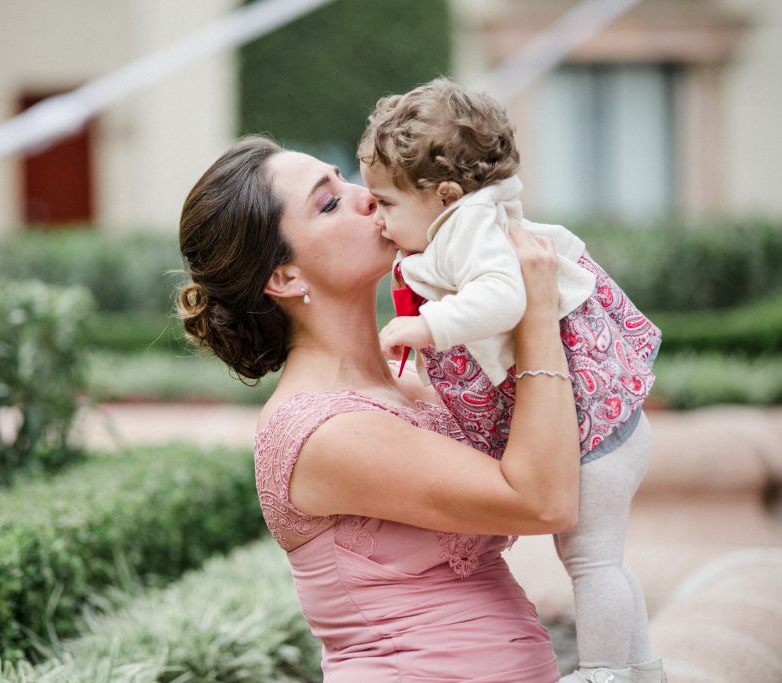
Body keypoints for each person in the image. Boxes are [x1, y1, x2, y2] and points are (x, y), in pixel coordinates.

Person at [178, 135, 581, 682]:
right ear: (284, 278)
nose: (366, 195)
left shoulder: (410, 380)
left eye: (344, 177)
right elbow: (543, 501)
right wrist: (533, 308)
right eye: (328, 202)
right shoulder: (325, 431)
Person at [358, 77, 665, 683]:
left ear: (444, 193)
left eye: (388, 204)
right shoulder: (461, 224)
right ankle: (641, 668)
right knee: (603, 559)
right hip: (608, 426)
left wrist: (422, 330)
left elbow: (501, 300)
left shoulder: (467, 227)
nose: (378, 218)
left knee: (592, 561)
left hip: (594, 434)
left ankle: (604, 672)